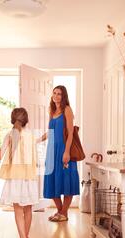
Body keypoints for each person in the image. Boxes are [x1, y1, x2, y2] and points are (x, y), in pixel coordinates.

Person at [0, 108, 39, 238]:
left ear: (12, 119)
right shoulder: (31, 135)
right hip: (29, 178)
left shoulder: (10, 135)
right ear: (26, 120)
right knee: (28, 209)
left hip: (15, 177)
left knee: (18, 210)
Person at [39, 86, 80, 222]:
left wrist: (67, 152)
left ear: (64, 96)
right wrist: (36, 140)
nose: (56, 96)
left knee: (66, 180)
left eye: (60, 94)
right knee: (51, 180)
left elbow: (70, 134)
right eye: (55, 93)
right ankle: (61, 212)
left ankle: (63, 213)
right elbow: (50, 132)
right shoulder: (52, 110)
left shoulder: (67, 110)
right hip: (51, 151)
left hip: (63, 149)